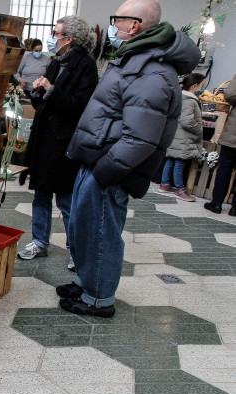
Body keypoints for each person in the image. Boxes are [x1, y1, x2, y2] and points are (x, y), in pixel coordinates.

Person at [57, 0, 199, 317]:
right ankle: (86, 282)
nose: (114, 26)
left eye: (117, 20)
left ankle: (99, 298)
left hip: (109, 167)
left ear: (134, 25)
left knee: (101, 234)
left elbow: (141, 139)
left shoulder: (153, 71)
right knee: (83, 228)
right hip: (96, 159)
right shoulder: (135, 58)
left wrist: (104, 172)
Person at [16, 16, 98, 271]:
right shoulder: (55, 62)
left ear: (69, 39)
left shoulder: (85, 66)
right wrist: (39, 91)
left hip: (64, 143)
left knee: (66, 200)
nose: (53, 36)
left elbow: (80, 107)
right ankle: (40, 241)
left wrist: (51, 90)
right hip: (44, 140)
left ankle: (76, 249)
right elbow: (43, 103)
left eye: (56, 33)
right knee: (40, 195)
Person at [160, 73, 207, 202]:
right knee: (179, 161)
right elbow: (187, 121)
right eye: (202, 85)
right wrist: (198, 129)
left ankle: (165, 184)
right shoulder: (190, 101)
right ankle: (180, 189)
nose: (203, 88)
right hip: (184, 136)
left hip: (176, 134)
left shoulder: (180, 97)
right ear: (194, 86)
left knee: (172, 159)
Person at [204, 73, 236, 216]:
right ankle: (235, 208)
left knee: (224, 168)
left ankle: (216, 203)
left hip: (234, 133)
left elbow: (229, 94)